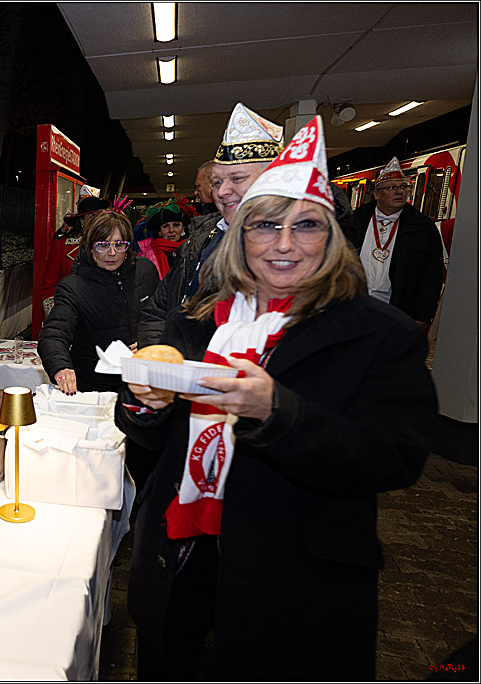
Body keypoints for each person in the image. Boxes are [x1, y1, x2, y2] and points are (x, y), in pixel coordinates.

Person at [115, 116, 437, 681]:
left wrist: (277, 412)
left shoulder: (376, 335)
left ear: (331, 236)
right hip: (181, 560)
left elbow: (395, 456)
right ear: (240, 236)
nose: (283, 243)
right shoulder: (199, 319)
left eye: (305, 225)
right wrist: (146, 402)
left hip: (293, 588)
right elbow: (158, 441)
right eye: (265, 225)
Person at [135, 103, 283, 348]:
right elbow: (157, 311)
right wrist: (158, 354)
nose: (222, 192)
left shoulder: (297, 249)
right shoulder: (201, 240)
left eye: (237, 178)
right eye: (217, 182)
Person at [39, 208, 159, 395]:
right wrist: (61, 367)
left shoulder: (146, 271)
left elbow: (162, 316)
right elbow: (54, 334)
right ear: (90, 247)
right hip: (93, 384)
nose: (112, 252)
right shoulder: (73, 286)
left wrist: (149, 343)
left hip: (141, 377)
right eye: (102, 245)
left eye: (119, 244)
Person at [346, 157, 444, 326]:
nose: (399, 192)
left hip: (395, 312)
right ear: (376, 194)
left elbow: (431, 276)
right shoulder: (354, 222)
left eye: (403, 187)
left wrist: (421, 316)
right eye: (391, 187)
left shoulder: (423, 228)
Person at [39, 188, 112, 315]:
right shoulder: (62, 246)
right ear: (82, 221)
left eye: (101, 216)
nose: (98, 221)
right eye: (93, 216)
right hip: (72, 316)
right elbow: (49, 288)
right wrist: (59, 316)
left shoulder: (114, 246)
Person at [133, 195, 198, 278]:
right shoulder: (146, 254)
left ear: (183, 228)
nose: (171, 230)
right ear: (159, 231)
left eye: (176, 225)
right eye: (166, 226)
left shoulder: (194, 249)